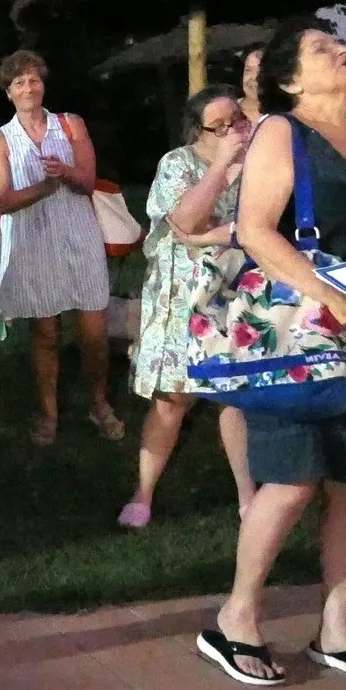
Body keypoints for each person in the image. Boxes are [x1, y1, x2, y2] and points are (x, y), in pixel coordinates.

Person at [194, 23, 346, 689]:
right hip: (298, 335)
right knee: (290, 482)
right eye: (322, 49)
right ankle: (235, 619)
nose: (340, 50)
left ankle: (335, 631)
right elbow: (257, 230)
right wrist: (327, 292)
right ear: (290, 80)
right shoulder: (280, 132)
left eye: (339, 44)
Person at [119, 86, 257, 529]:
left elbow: (255, 225)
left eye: (236, 120)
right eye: (220, 126)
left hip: (236, 290)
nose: (233, 131)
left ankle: (248, 498)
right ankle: (143, 494)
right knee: (172, 399)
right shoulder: (177, 163)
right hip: (183, 295)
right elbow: (186, 221)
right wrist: (221, 167)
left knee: (234, 396)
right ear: (198, 130)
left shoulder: (259, 162)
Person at [0, 50, 121, 446]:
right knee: (45, 332)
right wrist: (46, 187)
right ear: (8, 92)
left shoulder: (70, 124)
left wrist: (68, 174)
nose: (29, 88)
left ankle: (99, 404)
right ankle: (49, 413)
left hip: (79, 235)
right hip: (33, 240)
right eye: (19, 83)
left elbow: (89, 180)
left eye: (34, 80)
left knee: (94, 332)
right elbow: (3, 200)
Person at [240, 48, 265, 122]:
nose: (254, 77)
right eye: (248, 70)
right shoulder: (227, 111)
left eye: (261, 71)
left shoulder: (289, 115)